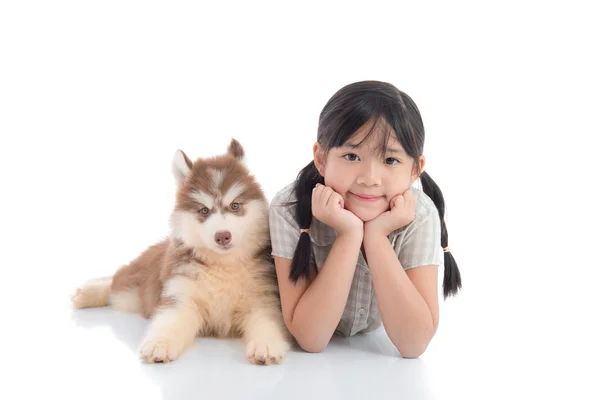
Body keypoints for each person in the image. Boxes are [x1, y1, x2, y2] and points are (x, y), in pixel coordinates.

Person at [268, 80, 461, 358]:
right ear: (321, 158)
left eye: (391, 160)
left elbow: (414, 344)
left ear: (415, 169)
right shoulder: (290, 209)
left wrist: (376, 237)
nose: (369, 178)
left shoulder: (419, 215)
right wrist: (348, 236)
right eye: (351, 155)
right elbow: (311, 338)